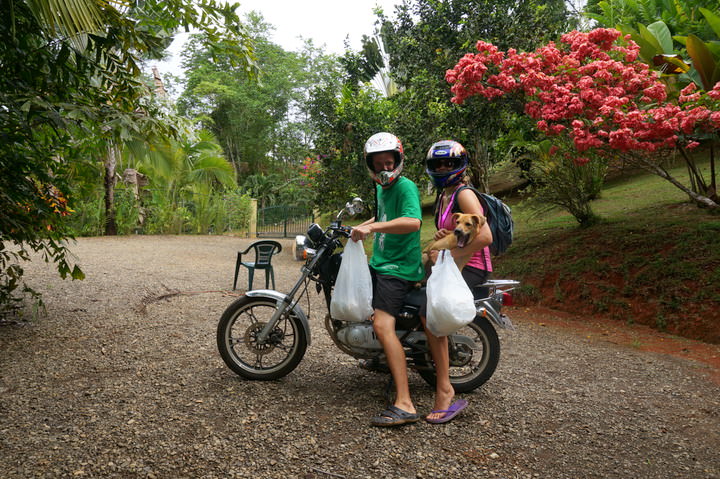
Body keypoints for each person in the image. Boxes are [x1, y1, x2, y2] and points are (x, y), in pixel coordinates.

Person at [350, 132, 425, 427]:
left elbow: (413, 222)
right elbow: (382, 216)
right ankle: (381, 357)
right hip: (382, 262)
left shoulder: (405, 187)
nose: (384, 169)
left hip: (399, 268)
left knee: (382, 324)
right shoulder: (381, 189)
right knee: (362, 304)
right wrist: (360, 227)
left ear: (398, 161)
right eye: (378, 164)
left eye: (388, 163)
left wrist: (375, 227)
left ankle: (405, 403)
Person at [421, 140, 493, 424]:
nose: (442, 168)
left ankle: (444, 389)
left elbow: (485, 237)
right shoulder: (444, 196)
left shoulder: (464, 194)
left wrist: (449, 255)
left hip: (471, 266)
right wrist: (443, 237)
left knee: (431, 315)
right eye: (437, 164)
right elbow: (459, 231)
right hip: (453, 263)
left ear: (458, 166)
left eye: (448, 164)